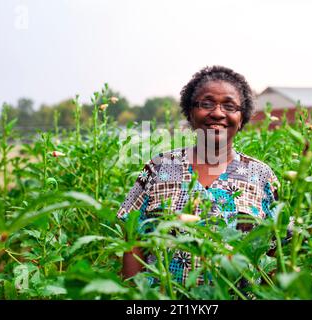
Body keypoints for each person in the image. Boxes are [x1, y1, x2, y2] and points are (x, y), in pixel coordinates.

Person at [117, 65, 279, 285]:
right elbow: (133, 240)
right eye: (207, 103)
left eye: (229, 106)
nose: (218, 113)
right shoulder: (158, 167)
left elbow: (273, 252)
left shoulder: (261, 175)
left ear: (242, 118)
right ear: (191, 113)